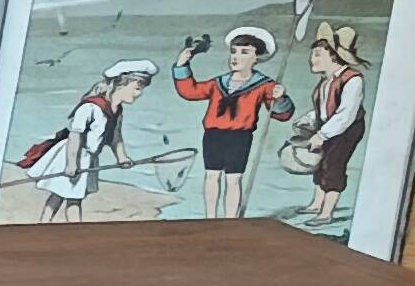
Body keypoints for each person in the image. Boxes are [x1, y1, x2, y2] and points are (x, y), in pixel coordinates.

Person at [173, 24, 295, 221]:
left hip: (240, 137)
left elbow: (282, 115)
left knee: (234, 179)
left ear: (257, 57)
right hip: (213, 135)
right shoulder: (218, 83)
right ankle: (210, 219)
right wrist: (181, 66)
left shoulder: (264, 85)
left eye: (245, 52)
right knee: (212, 176)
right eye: (234, 52)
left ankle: (230, 221)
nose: (236, 57)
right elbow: (190, 91)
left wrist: (280, 99)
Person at [16, 58, 155, 221]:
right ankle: (63, 226)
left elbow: (115, 137)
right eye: (137, 88)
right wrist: (71, 163)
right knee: (69, 196)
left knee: (66, 195)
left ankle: (46, 224)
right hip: (72, 154)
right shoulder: (90, 107)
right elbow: (75, 136)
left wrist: (122, 158)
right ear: (121, 84)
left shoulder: (117, 111)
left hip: (88, 158)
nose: (139, 93)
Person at [296, 24, 370, 234]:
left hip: (347, 129)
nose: (313, 59)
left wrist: (322, 134)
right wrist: (308, 120)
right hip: (328, 126)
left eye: (318, 55)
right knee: (320, 165)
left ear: (334, 56)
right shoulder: (325, 81)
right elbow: (322, 109)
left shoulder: (353, 80)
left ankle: (326, 212)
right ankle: (316, 203)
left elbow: (345, 114)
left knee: (333, 165)